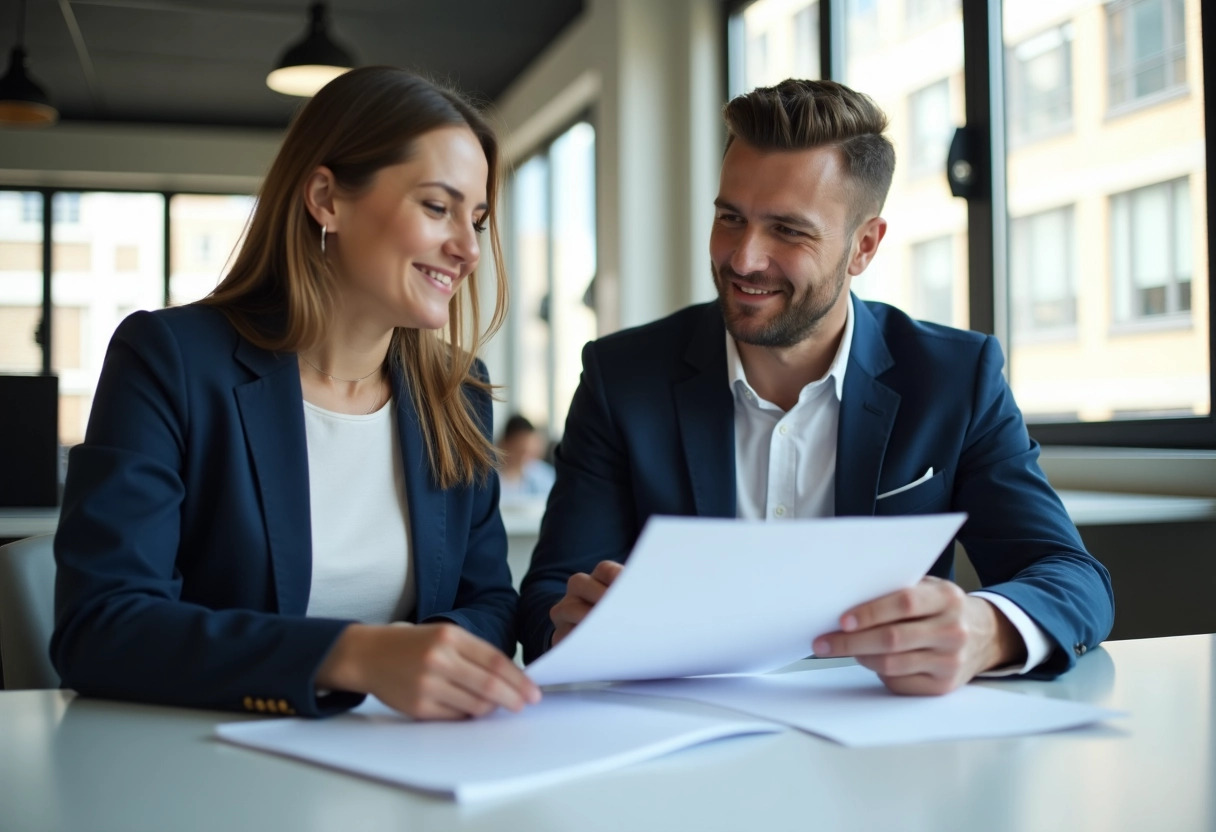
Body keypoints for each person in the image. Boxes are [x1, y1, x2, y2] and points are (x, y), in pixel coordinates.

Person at [518, 79, 1114, 695]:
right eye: (730, 218)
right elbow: (546, 600)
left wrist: (984, 629)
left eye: (788, 231)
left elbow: (1071, 577)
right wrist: (577, 627)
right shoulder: (622, 376)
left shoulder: (954, 379)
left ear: (863, 247)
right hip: (680, 742)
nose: (745, 258)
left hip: (879, 745)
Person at [51, 67, 541, 719]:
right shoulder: (168, 360)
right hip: (202, 770)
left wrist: (429, 657)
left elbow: (488, 605)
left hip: (406, 768)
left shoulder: (458, 391)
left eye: (476, 219)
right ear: (326, 199)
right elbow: (101, 627)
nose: (467, 249)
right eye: (436, 206)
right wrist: (351, 655)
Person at [497, 414, 557, 501]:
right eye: (518, 450)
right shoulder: (490, 480)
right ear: (504, 444)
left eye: (527, 452)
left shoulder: (543, 475)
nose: (522, 457)